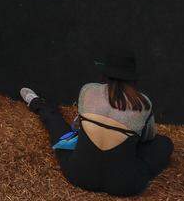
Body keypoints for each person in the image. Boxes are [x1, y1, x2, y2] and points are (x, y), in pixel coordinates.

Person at [19, 53, 172, 197]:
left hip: (79, 174)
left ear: (105, 73)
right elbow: (148, 137)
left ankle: (35, 101)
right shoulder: (143, 103)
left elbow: (77, 127)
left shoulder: (88, 90)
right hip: (125, 185)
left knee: (56, 125)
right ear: (133, 78)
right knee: (164, 143)